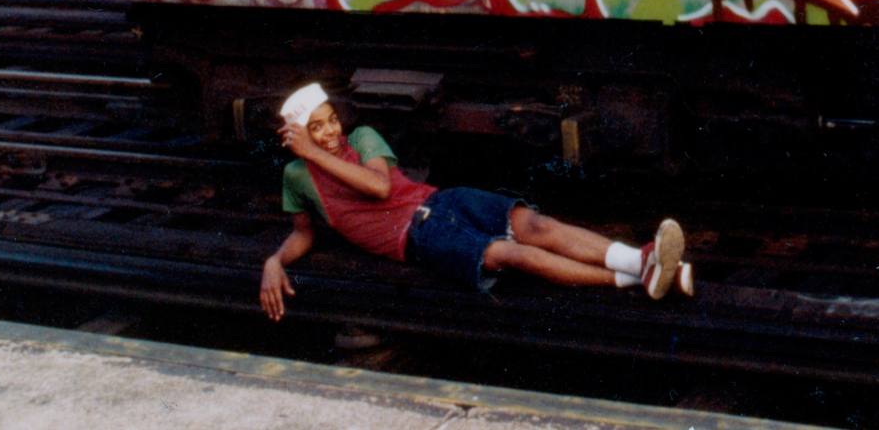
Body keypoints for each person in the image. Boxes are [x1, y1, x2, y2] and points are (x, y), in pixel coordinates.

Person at [259, 82, 691, 321]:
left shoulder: (363, 138)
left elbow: (380, 188)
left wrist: (315, 151)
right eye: (316, 128)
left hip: (444, 201)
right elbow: (302, 233)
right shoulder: (297, 176)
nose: (331, 132)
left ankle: (641, 261)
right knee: (510, 254)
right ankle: (643, 279)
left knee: (535, 225)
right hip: (418, 237)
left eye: (331, 120)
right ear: (296, 136)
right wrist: (274, 262)